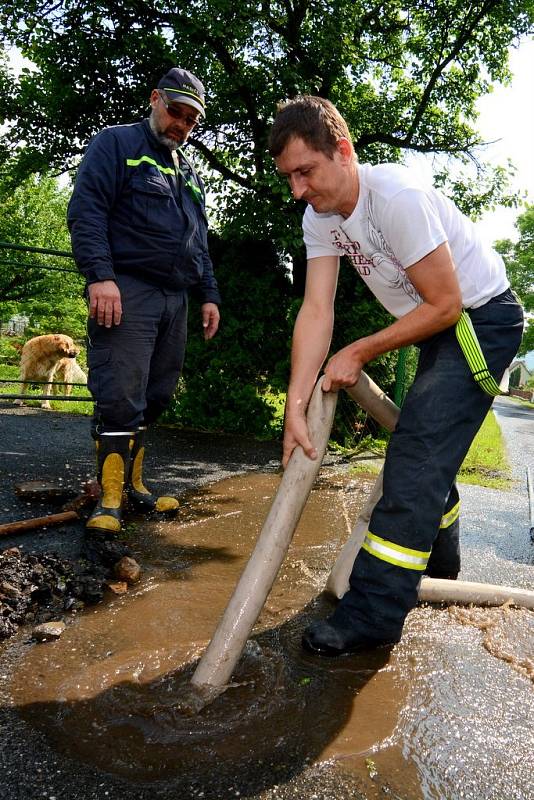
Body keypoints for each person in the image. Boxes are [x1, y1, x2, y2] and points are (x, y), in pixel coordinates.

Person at [268, 95, 524, 656]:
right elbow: (317, 311)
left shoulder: (396, 197)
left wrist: (358, 351)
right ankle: (442, 560)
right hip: (437, 324)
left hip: (479, 319)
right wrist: (294, 402)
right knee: (426, 449)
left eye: (305, 172)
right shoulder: (320, 218)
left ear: (343, 150)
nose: (298, 190)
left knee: (417, 450)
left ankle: (374, 614)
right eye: (289, 177)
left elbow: (446, 303)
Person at [68, 67, 221, 534]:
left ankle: (133, 486)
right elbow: (87, 209)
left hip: (175, 298)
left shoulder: (186, 170)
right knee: (121, 393)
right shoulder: (116, 144)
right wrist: (101, 276)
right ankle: (108, 501)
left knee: (156, 393)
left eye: (192, 119)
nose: (182, 124)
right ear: (156, 100)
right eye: (176, 111)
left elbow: (199, 239)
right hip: (126, 289)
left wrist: (208, 294)